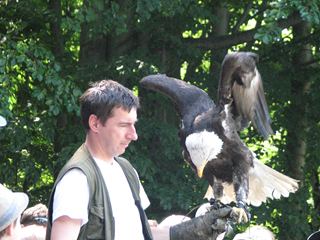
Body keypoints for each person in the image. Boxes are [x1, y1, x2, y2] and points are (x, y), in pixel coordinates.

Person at [45, 80, 235, 240]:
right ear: (95, 123)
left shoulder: (127, 171)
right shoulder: (77, 180)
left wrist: (192, 230)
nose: (133, 135)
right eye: (123, 125)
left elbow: (138, 233)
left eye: (133, 124)